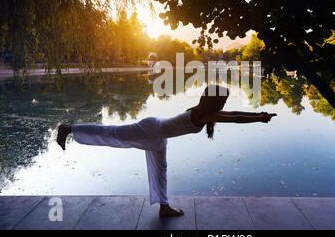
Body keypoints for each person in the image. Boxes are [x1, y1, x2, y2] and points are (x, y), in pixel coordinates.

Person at [56, 85, 277, 217]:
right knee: (113, 132)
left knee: (160, 171)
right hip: (151, 129)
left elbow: (233, 114)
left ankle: (164, 207)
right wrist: (259, 118)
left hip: (159, 137)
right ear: (214, 101)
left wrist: (259, 114)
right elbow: (235, 118)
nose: (225, 104)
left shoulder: (203, 110)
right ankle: (68, 128)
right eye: (223, 100)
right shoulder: (204, 115)